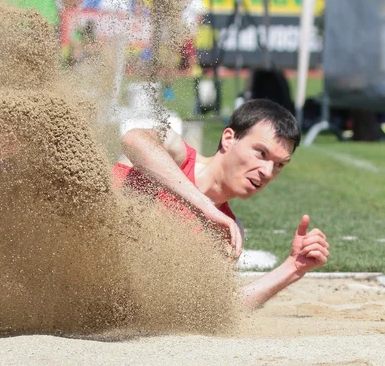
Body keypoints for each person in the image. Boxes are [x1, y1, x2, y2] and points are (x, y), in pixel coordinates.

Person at [114, 99, 330, 309]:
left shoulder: (227, 233)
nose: (267, 171)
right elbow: (133, 140)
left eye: (279, 165)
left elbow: (213, 308)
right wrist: (204, 204)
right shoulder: (175, 153)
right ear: (229, 138)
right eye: (261, 153)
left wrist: (292, 267)